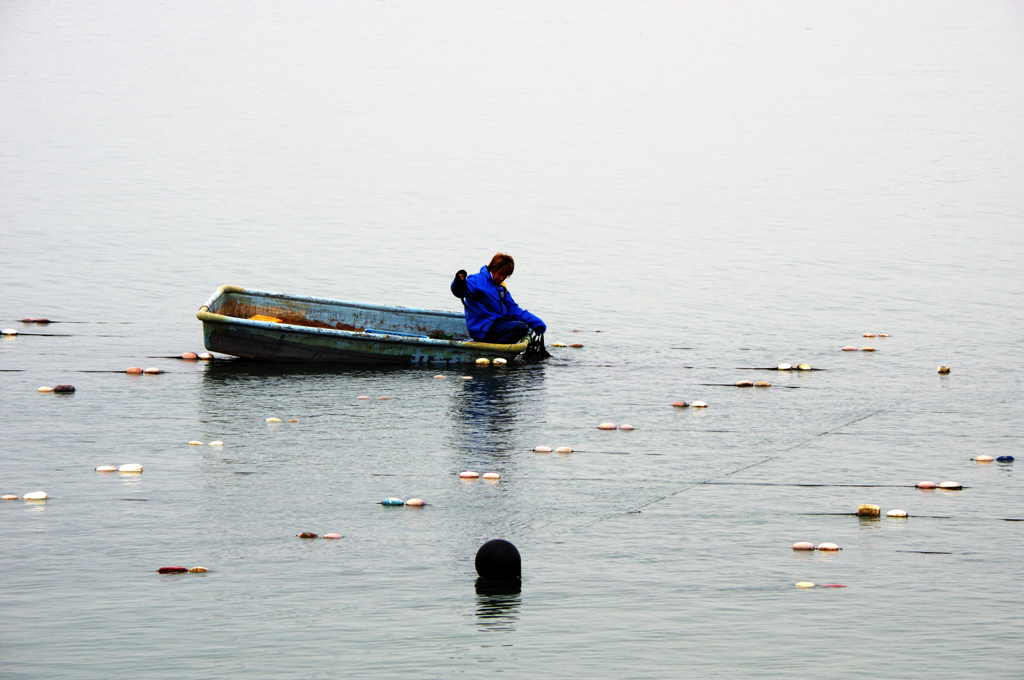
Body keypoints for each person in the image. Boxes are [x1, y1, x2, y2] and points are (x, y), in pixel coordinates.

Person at [451, 253, 546, 344]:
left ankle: (494, 347)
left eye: (505, 275)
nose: (501, 278)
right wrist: (458, 282)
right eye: (500, 274)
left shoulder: (501, 288)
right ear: (493, 268)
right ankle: (491, 348)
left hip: (497, 325)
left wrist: (535, 322)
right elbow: (460, 292)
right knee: (520, 328)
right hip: (482, 328)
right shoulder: (477, 280)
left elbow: (514, 310)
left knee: (526, 326)